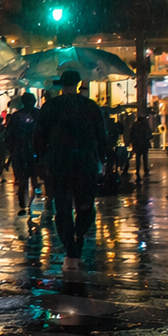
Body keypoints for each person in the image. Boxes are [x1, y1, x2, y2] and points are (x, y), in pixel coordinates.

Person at [32, 69, 108, 273]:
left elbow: (39, 136)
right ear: (78, 84)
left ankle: (69, 248)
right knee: (85, 204)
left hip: (59, 163)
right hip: (85, 162)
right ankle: (79, 236)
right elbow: (102, 136)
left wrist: (41, 160)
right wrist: (104, 160)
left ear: (61, 85)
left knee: (63, 206)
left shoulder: (51, 107)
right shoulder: (90, 107)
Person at [3, 93, 38, 215]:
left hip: (24, 152)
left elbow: (8, 137)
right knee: (31, 179)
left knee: (25, 180)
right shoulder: (36, 115)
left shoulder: (17, 116)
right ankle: (28, 203)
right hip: (28, 152)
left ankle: (26, 204)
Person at [128, 112, 152, 185]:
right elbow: (149, 134)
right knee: (145, 157)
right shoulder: (145, 125)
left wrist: (131, 143)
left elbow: (131, 135)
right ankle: (145, 170)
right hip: (144, 144)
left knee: (138, 158)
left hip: (137, 144)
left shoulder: (135, 126)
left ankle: (138, 170)